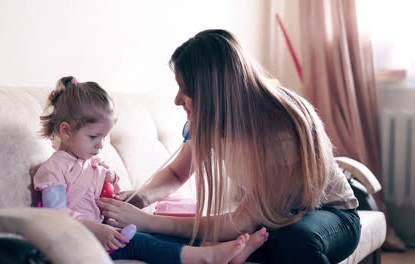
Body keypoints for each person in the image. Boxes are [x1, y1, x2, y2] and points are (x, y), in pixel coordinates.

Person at [96, 29, 362, 264]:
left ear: (213, 92)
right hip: (271, 219)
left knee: (295, 241)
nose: (177, 100)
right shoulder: (209, 121)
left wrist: (148, 220)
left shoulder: (282, 131)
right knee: (153, 239)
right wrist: (138, 201)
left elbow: (240, 223)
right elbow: (178, 173)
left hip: (328, 214)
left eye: (184, 89)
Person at [34, 76, 268, 264]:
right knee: (143, 244)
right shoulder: (53, 170)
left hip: (105, 232)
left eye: (104, 137)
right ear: (65, 131)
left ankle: (221, 251)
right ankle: (205, 258)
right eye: (94, 137)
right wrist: (98, 230)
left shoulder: (92, 162)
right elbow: (58, 216)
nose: (100, 144)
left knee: (157, 237)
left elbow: (96, 196)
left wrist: (114, 187)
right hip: (83, 241)